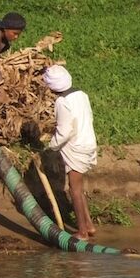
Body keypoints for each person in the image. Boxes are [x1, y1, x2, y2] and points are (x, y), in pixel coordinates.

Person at [44, 64, 97, 240]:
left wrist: (51, 146)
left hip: (75, 147)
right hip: (88, 141)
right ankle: (89, 225)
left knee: (74, 189)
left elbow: (65, 131)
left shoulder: (62, 102)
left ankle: (82, 232)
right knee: (79, 188)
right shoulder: (81, 94)